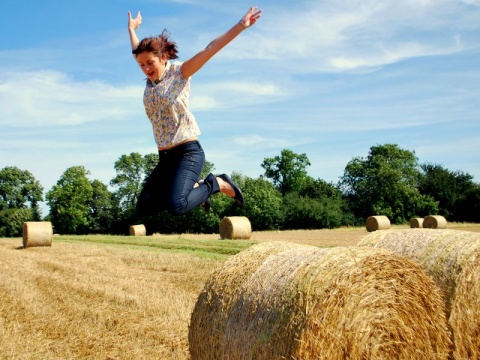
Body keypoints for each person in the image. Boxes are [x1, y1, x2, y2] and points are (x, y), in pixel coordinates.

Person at [127, 6, 262, 216]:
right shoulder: (150, 80)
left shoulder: (180, 73)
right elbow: (138, 49)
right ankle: (196, 192)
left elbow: (209, 49)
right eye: (141, 64)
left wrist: (240, 26)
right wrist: (131, 29)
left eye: (150, 63)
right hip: (165, 157)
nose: (145, 68)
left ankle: (216, 183)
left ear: (163, 57)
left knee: (177, 206)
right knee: (144, 208)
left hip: (187, 152)